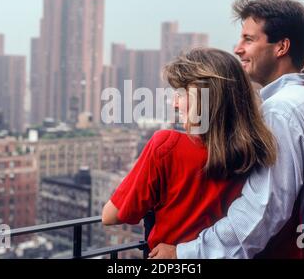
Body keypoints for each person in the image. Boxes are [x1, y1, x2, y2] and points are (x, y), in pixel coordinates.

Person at [149, 0, 304, 259]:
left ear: (281, 47)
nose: (238, 48)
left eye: (249, 39)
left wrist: (185, 254)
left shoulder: (280, 112)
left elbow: (262, 211)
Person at [102, 48, 279, 252]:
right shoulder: (256, 151)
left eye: (181, 94)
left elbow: (110, 215)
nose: (175, 104)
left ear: (205, 100)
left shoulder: (167, 146)